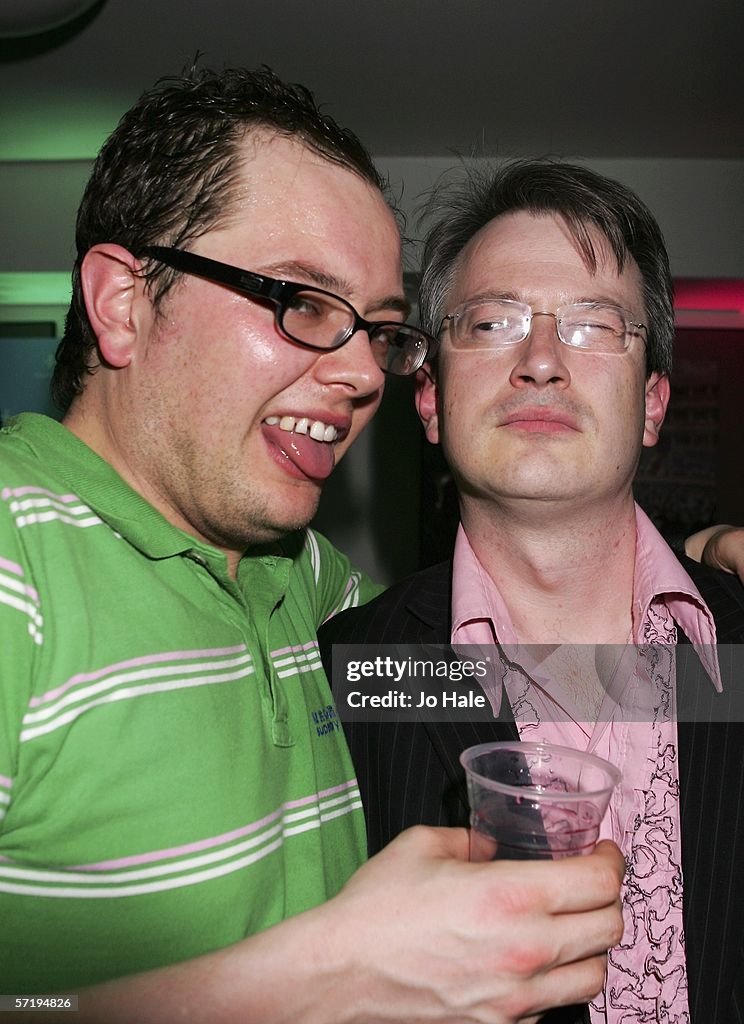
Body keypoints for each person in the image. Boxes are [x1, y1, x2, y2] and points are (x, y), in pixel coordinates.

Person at [0, 71, 625, 1022]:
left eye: (377, 331)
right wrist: (321, 984)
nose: (361, 373)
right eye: (302, 301)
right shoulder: (16, 563)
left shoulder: (310, 588)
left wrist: (685, 569)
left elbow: (505, 674)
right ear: (124, 304)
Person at [319, 159, 744, 1023]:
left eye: (594, 325)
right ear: (430, 398)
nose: (542, 361)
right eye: (492, 321)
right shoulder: (346, 673)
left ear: (653, 402)